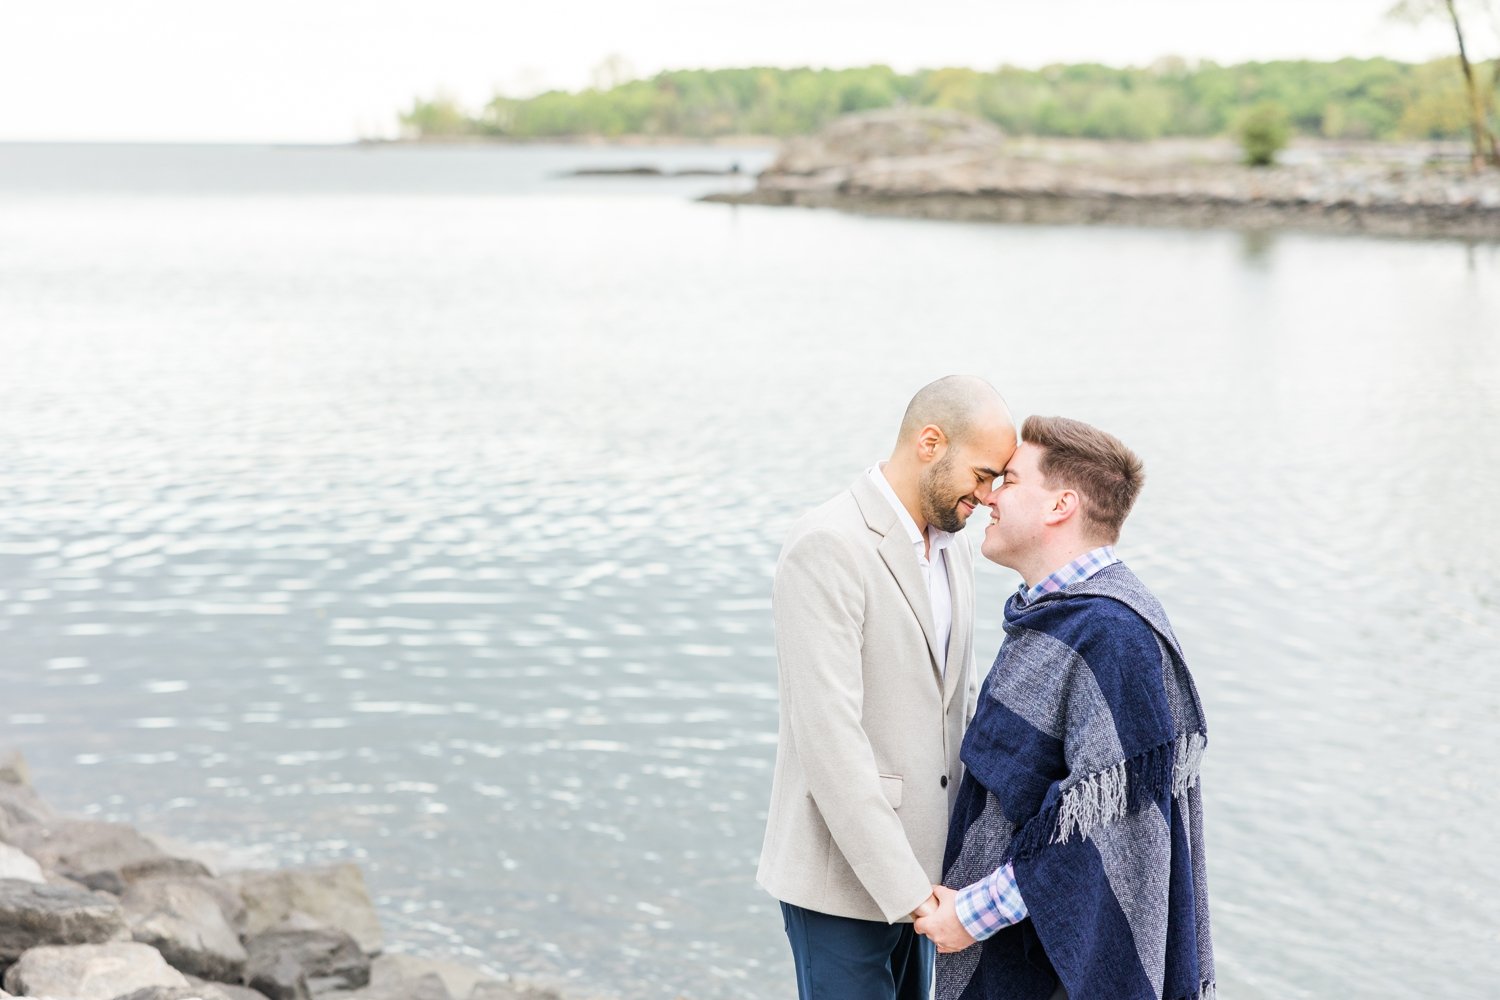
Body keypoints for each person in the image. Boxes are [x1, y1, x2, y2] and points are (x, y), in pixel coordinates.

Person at [915, 416, 1214, 1000]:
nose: (988, 495)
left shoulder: (1112, 634)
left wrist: (970, 915)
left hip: (1048, 968)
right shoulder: (1050, 616)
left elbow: (1104, 833)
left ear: (1061, 505)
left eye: (1009, 480)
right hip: (1012, 945)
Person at [758, 375, 1018, 1000]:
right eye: (983, 475)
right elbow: (830, 745)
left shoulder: (954, 550)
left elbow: (956, 704)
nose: (987, 498)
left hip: (927, 876)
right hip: (842, 882)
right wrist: (909, 891)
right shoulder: (829, 545)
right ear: (931, 442)